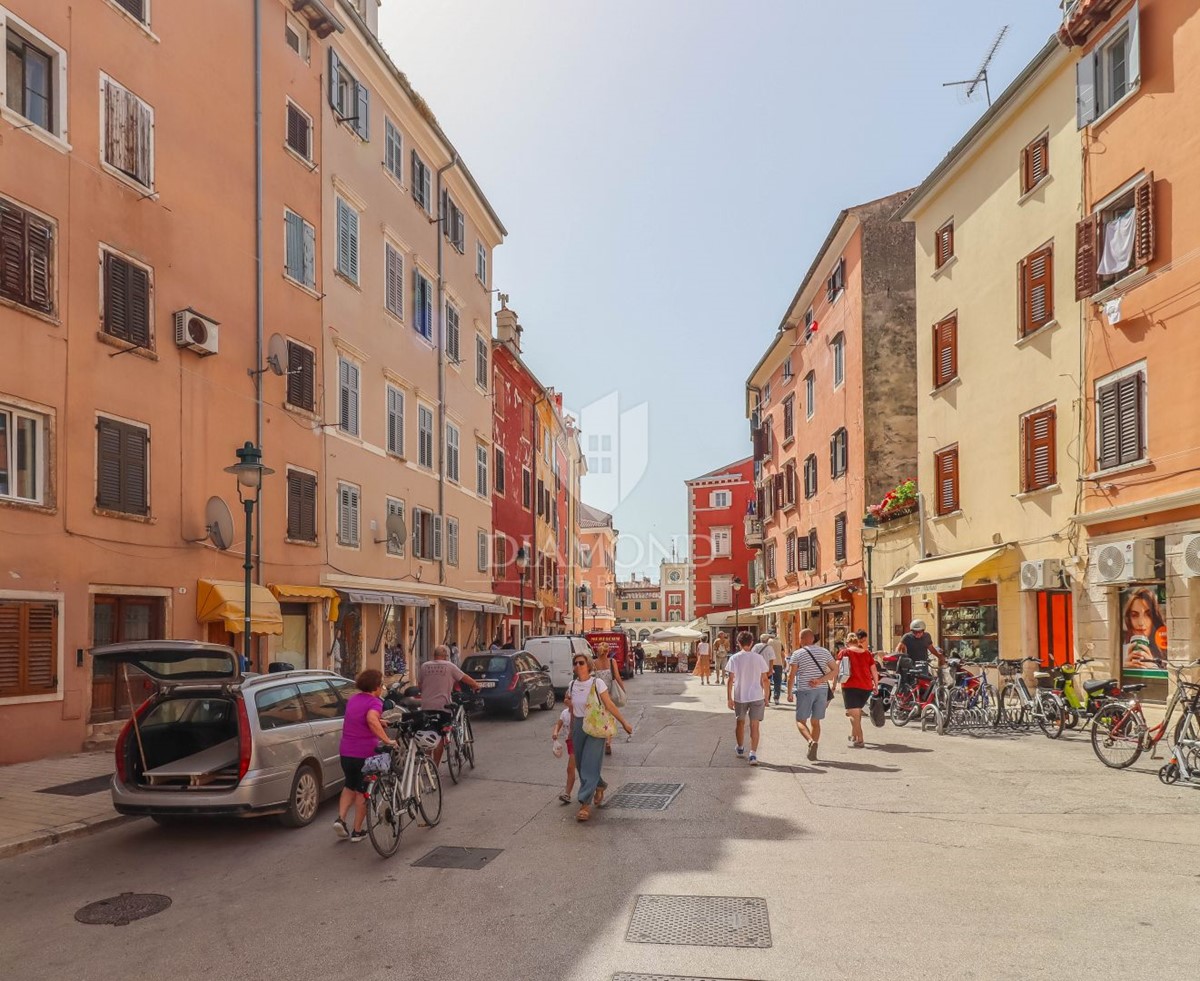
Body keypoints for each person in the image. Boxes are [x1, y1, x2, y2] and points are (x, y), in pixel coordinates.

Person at [567, 653, 632, 822]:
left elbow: (609, 704)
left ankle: (584, 804)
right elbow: (572, 709)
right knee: (581, 766)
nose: (578, 665)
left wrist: (624, 723)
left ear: (588, 665)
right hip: (579, 727)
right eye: (576, 663)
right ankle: (600, 785)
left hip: (595, 726)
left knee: (590, 763)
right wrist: (570, 730)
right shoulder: (572, 684)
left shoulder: (597, 683)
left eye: (581, 663)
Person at [335, 669, 398, 843]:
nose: (382, 689)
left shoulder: (353, 699)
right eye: (382, 685)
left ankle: (340, 819)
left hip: (346, 752)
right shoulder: (375, 702)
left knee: (349, 785)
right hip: (364, 754)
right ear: (376, 687)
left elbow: (360, 718)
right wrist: (387, 740)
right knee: (363, 791)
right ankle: (357, 831)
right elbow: (370, 718)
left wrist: (380, 722)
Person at [418, 644, 482, 765]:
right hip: (443, 707)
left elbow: (420, 685)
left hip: (426, 706)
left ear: (434, 655)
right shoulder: (449, 666)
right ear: (445, 656)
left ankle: (427, 765)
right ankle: (435, 767)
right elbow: (465, 678)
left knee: (428, 735)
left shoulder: (424, 666)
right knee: (440, 736)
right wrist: (476, 685)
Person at [787, 628, 837, 762]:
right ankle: (813, 748)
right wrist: (821, 680)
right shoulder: (824, 652)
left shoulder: (797, 654)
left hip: (805, 690)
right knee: (816, 721)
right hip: (821, 690)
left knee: (800, 720)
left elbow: (791, 675)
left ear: (803, 639)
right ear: (813, 639)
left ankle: (810, 741)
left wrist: (789, 692)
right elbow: (835, 670)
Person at [726, 630, 770, 766]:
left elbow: (730, 679)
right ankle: (753, 754)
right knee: (755, 725)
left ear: (738, 643)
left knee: (740, 722)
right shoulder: (759, 658)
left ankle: (740, 747)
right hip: (757, 696)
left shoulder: (734, 658)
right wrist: (766, 697)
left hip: (740, 696)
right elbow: (765, 679)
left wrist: (729, 697)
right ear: (751, 643)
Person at [838, 630, 879, 748]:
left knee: (852, 714)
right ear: (857, 642)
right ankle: (853, 736)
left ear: (847, 642)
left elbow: (837, 667)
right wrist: (876, 685)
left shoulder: (844, 652)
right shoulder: (867, 653)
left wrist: (833, 683)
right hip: (866, 687)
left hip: (850, 686)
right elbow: (874, 671)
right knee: (857, 713)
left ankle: (860, 738)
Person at [1121, 588, 1167, 668]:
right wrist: (1124, 668)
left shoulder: (1166, 649)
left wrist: (1153, 667)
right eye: (1134, 615)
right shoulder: (1121, 652)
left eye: (1148, 615)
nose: (1141, 623)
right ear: (1129, 619)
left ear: (1154, 618)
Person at [593, 642, 625, 755]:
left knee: (600, 717)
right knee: (610, 717)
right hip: (609, 694)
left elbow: (592, 678)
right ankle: (608, 741)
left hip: (597, 695)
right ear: (607, 652)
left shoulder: (594, 663)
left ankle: (600, 739)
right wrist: (623, 689)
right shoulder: (612, 662)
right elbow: (617, 677)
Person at [551, 705, 576, 804]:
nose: (566, 699)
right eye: (566, 697)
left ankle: (568, 794)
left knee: (571, 768)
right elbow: (558, 724)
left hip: (577, 742)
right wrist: (555, 732)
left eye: (569, 697)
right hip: (570, 743)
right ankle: (568, 794)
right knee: (574, 769)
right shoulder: (565, 713)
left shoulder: (580, 712)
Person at [764, 632, 784, 705]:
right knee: (777, 681)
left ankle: (767, 697)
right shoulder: (779, 642)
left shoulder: (767, 643)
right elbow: (782, 654)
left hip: (768, 664)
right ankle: (776, 698)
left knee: (767, 681)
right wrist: (784, 663)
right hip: (778, 663)